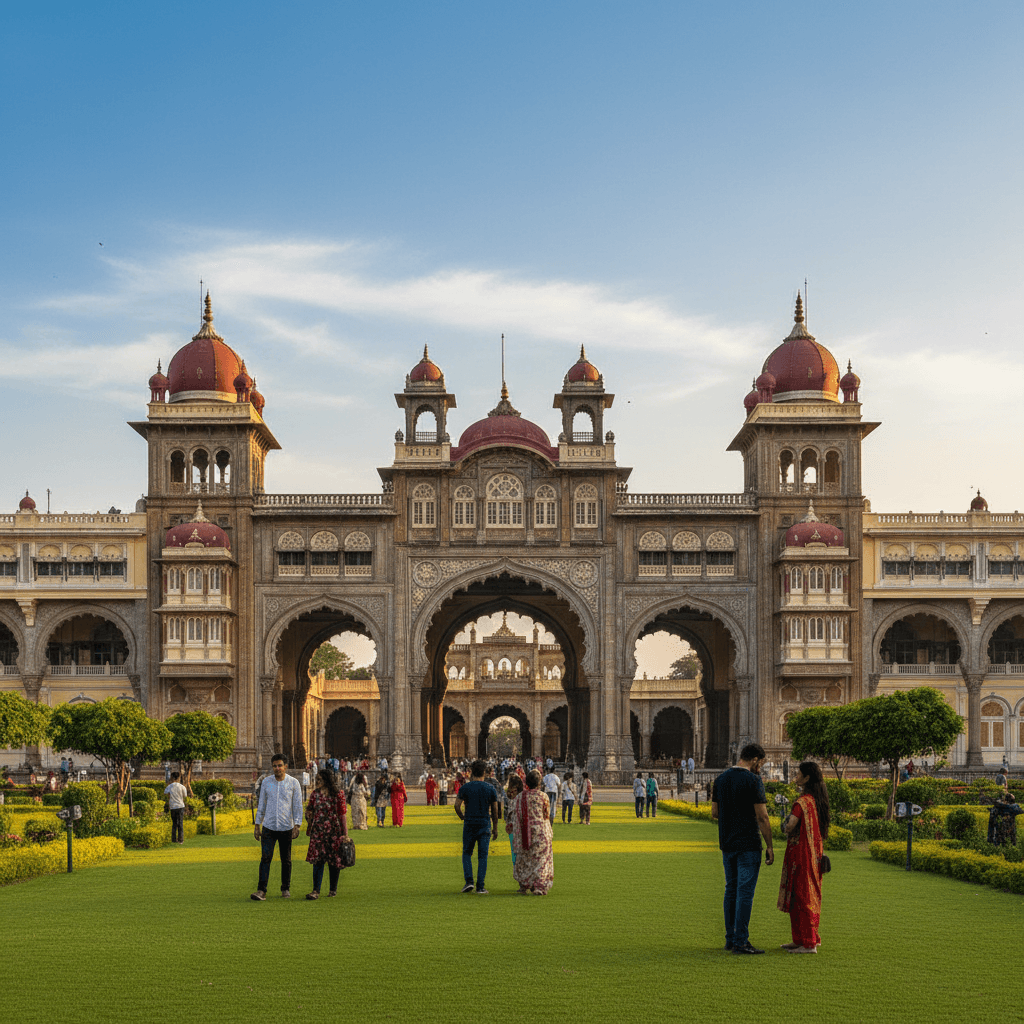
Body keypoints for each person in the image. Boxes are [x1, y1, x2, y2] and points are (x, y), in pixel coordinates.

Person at [711, 742, 774, 954]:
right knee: (745, 893)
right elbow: (763, 817)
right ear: (755, 759)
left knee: (731, 890)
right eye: (761, 763)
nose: (760, 767)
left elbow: (715, 812)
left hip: (727, 843)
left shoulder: (721, 779)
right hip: (748, 843)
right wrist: (770, 846)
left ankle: (730, 939)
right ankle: (741, 941)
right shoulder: (753, 780)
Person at [778, 761, 830, 954]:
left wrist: (783, 825)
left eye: (798, 774)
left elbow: (790, 825)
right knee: (801, 894)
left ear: (807, 778)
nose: (796, 777)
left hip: (801, 854)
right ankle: (800, 939)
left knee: (802, 895)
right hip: (813, 854)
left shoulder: (803, 802)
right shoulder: (817, 800)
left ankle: (808, 943)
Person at [252, 754, 304, 901]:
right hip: (269, 826)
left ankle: (285, 888)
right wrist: (257, 825)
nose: (277, 768)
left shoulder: (293, 783)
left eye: (280, 765)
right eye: (275, 766)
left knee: (286, 859)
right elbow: (261, 804)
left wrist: (297, 825)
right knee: (265, 858)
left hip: (286, 826)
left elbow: (297, 806)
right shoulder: (267, 782)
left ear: (285, 766)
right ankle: (261, 890)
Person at [454, 758, 499, 894]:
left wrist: (462, 816)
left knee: (467, 853)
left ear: (471, 772)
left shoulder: (465, 787)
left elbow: (456, 805)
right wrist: (495, 828)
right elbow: (495, 810)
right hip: (484, 824)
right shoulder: (490, 788)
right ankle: (480, 886)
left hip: (469, 823)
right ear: (484, 773)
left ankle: (469, 882)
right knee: (482, 856)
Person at [508, 769, 554, 895]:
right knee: (541, 860)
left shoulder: (520, 797)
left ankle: (523, 885)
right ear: (539, 783)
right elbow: (546, 815)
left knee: (524, 859)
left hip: (525, 832)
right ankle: (539, 886)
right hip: (540, 832)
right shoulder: (543, 796)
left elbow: (517, 816)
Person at [304, 767, 348, 899]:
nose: (317, 781)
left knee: (334, 861)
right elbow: (309, 809)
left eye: (320, 779)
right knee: (318, 860)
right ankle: (315, 890)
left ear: (327, 780)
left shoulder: (338, 794)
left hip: (334, 830)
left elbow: (342, 814)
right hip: (318, 831)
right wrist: (308, 818)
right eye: (317, 779)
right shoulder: (315, 794)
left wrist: (345, 833)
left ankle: (332, 890)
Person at [164, 770, 188, 845]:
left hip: (173, 806)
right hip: (180, 806)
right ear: (179, 778)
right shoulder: (182, 787)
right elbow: (185, 796)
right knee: (180, 823)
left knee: (174, 823)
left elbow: (165, 793)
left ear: (171, 777)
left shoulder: (169, 786)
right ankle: (181, 840)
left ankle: (174, 839)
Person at [504, 773, 524, 863]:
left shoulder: (507, 795)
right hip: (521, 825)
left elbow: (505, 811)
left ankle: (515, 865)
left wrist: (507, 822)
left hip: (511, 825)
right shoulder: (522, 795)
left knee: (513, 849)